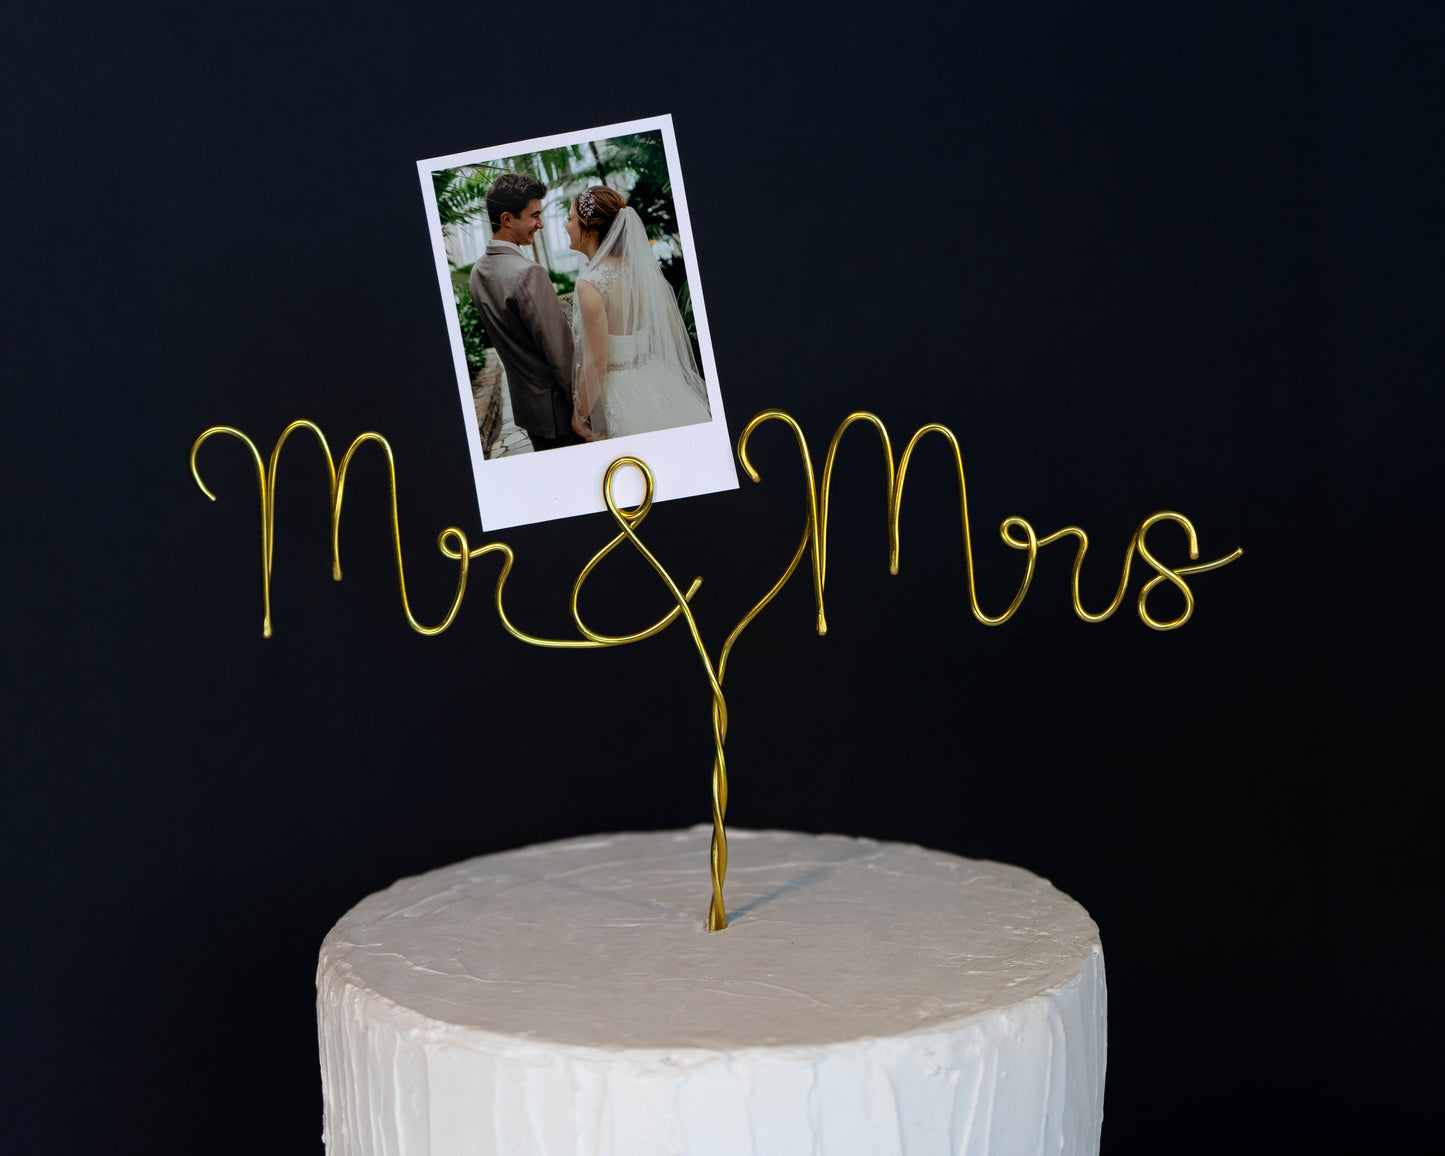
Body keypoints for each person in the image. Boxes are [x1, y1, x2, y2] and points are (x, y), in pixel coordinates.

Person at [564, 186, 711, 441]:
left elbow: (596, 362)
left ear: (588, 227)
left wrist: (579, 416)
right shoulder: (642, 272)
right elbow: (674, 335)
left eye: (570, 219)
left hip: (619, 395)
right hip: (657, 379)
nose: (566, 226)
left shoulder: (591, 284)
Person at [468, 173, 584, 452]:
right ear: (507, 219)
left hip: (530, 414)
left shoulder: (477, 272)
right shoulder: (528, 273)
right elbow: (560, 353)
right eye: (534, 215)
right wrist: (583, 412)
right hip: (561, 416)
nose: (540, 224)